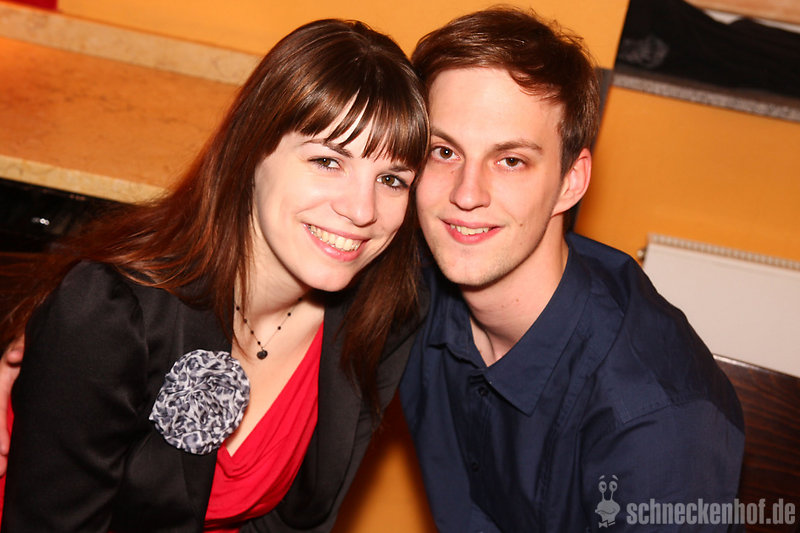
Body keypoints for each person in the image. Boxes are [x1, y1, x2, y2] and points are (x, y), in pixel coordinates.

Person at [0, 17, 428, 532]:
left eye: (391, 179)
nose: (362, 210)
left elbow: (298, 524)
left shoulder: (378, 318)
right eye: (327, 161)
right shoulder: (114, 316)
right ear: (252, 150)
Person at [398, 8, 745, 532]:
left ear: (570, 181)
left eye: (510, 160)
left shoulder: (656, 420)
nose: (466, 194)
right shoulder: (411, 292)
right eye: (444, 152)